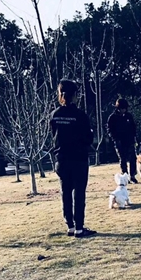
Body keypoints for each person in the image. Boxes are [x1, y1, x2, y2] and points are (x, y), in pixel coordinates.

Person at [50, 79, 95, 238]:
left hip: (62, 159)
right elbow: (88, 138)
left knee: (66, 193)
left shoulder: (54, 115)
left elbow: (53, 137)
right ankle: (79, 227)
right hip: (79, 159)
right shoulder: (80, 115)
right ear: (75, 95)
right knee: (79, 193)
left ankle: (70, 225)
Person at [107, 98, 138, 183]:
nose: (124, 110)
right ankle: (125, 175)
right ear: (118, 108)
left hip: (129, 140)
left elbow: (133, 127)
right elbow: (110, 130)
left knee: (133, 158)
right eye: (122, 108)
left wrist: (134, 138)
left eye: (125, 108)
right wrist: (115, 139)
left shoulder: (129, 116)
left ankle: (132, 175)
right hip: (119, 142)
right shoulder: (112, 117)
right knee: (122, 159)